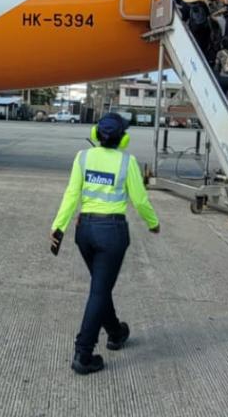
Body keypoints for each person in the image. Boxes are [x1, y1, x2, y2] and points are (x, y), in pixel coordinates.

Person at [50, 113, 160, 375]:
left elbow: (71, 194)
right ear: (123, 138)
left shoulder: (83, 157)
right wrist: (153, 223)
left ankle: (115, 332)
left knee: (102, 286)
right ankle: (83, 353)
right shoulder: (127, 161)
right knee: (99, 290)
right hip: (112, 233)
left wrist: (58, 227)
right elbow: (141, 200)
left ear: (96, 133)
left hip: (85, 232)